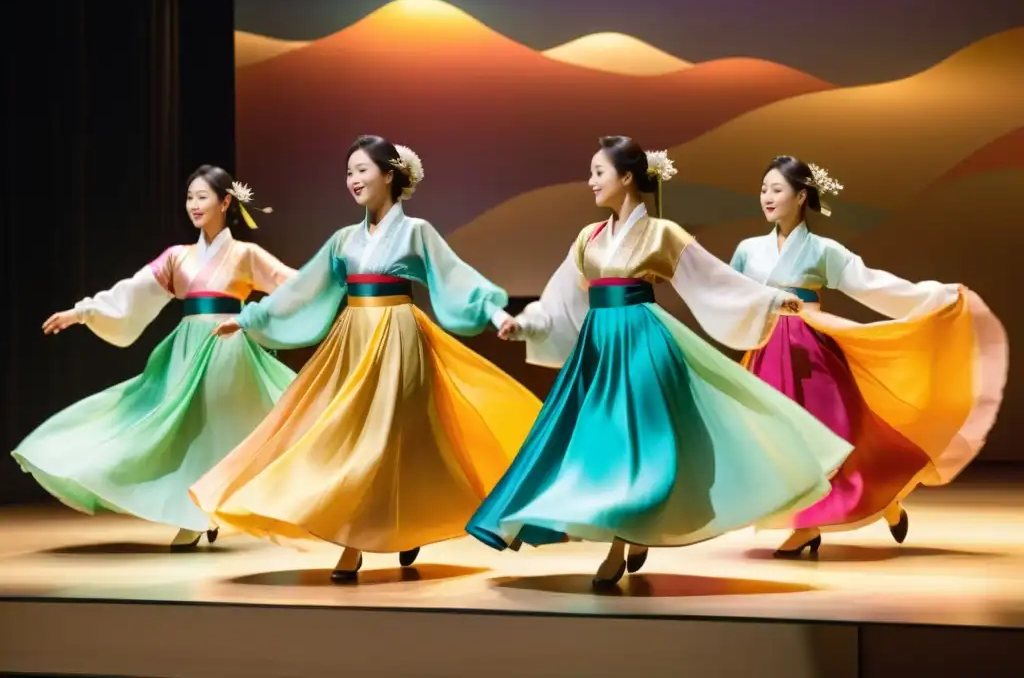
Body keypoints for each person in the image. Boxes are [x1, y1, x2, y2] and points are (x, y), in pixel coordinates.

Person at [465, 136, 853, 587]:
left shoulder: (662, 234)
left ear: (627, 177)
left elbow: (715, 279)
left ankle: (621, 539)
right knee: (599, 448)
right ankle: (632, 527)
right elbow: (559, 298)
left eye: (598, 172)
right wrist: (526, 324)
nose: (590, 182)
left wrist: (770, 300)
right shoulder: (587, 238)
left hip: (643, 344)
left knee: (641, 448)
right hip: (598, 349)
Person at [191, 135, 542, 582]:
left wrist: (496, 314)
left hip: (399, 338)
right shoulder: (343, 241)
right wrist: (249, 319)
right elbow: (304, 289)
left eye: (362, 170)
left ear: (390, 175)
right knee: (345, 436)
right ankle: (356, 535)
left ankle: (366, 537)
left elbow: (457, 278)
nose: (353, 179)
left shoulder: (416, 232)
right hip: (353, 338)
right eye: (349, 171)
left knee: (396, 441)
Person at [730, 155, 1007, 556]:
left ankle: (816, 523)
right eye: (762, 189)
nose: (767, 197)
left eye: (776, 189)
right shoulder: (748, 250)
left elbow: (873, 285)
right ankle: (877, 503)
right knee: (774, 440)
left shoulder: (823, 249)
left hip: (812, 350)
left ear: (801, 195)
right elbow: (728, 292)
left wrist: (938, 296)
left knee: (829, 438)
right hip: (767, 351)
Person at [12, 165, 296, 550]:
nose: (193, 205)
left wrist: (253, 316)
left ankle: (206, 512)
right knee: (179, 431)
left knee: (223, 431)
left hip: (227, 349)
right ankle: (198, 512)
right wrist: (81, 313)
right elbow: (132, 292)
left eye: (202, 197)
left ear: (225, 201)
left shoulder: (245, 254)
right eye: (189, 197)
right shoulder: (179, 258)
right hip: (186, 349)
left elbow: (289, 286)